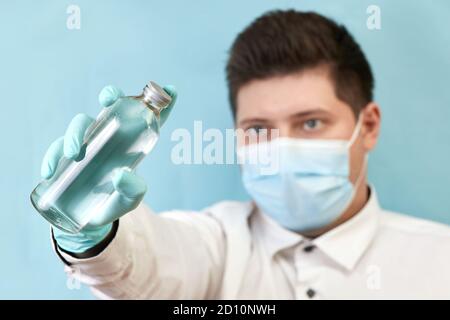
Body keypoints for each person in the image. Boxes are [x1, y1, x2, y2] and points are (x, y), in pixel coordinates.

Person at [40, 10, 450, 299]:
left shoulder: (439, 264)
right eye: (258, 129)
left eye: (310, 123)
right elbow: (147, 267)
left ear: (369, 126)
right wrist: (94, 236)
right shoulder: (216, 244)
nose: (280, 148)